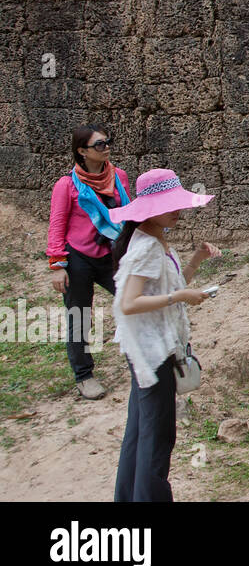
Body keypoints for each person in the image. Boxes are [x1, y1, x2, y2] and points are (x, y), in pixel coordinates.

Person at [109, 168, 218, 501]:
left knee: (140, 432)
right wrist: (180, 297)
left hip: (148, 349)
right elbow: (128, 303)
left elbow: (169, 285)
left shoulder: (152, 239)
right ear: (149, 208)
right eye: (170, 205)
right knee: (156, 438)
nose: (178, 211)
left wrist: (196, 261)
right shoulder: (147, 246)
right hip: (153, 352)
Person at [46, 125, 131, 400]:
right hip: (78, 258)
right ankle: (84, 376)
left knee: (135, 303)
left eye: (107, 141)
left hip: (111, 256)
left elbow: (128, 214)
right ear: (82, 151)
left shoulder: (119, 178)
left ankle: (143, 361)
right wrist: (58, 265)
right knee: (79, 318)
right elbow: (57, 225)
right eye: (99, 144)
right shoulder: (67, 186)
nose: (106, 147)